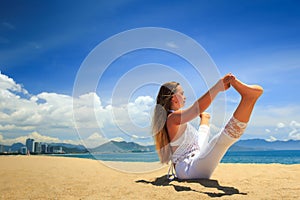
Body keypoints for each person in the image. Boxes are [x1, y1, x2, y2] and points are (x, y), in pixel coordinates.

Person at [152, 73, 263, 179]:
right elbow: (196, 109)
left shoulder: (176, 119)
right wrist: (217, 87)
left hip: (194, 159)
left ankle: (249, 98)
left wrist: (205, 119)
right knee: (219, 141)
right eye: (182, 94)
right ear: (174, 98)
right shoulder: (172, 118)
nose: (184, 97)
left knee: (205, 138)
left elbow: (201, 138)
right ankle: (248, 98)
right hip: (188, 168)